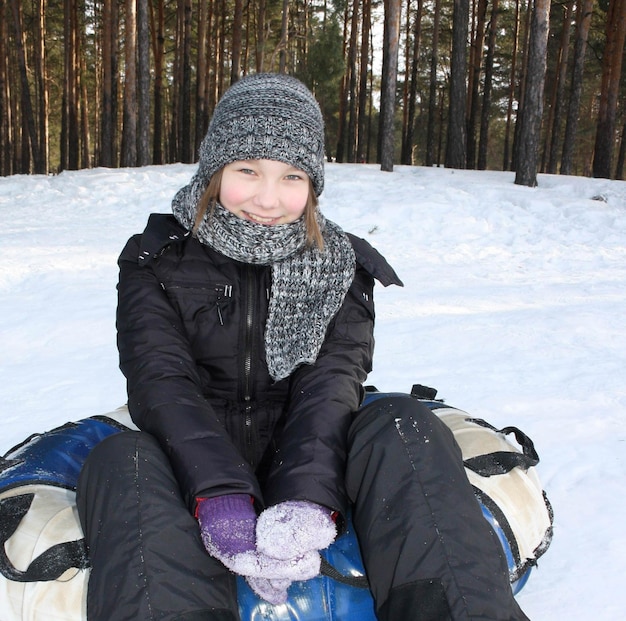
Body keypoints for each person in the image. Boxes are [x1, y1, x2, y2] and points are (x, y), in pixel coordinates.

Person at [76, 73, 529, 621]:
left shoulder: (341, 264)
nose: (268, 199)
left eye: (291, 177)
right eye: (248, 170)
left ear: (312, 185)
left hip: (317, 450)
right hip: (186, 456)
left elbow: (332, 384)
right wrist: (220, 490)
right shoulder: (156, 258)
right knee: (118, 458)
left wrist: (304, 497)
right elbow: (160, 379)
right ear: (215, 167)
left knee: (399, 422)